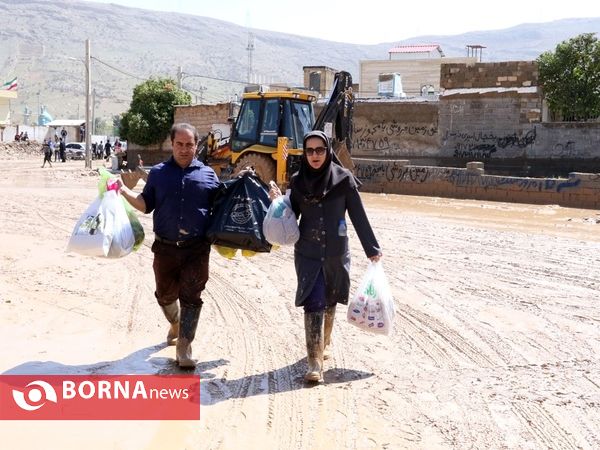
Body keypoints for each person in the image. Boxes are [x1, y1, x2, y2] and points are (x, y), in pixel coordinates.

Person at [269, 130, 382, 383]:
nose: (315, 155)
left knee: (331, 298)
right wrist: (278, 204)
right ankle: (314, 362)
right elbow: (291, 218)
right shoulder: (298, 181)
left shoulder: (344, 180)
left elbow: (358, 216)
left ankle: (325, 341)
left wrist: (372, 249)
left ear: (328, 151)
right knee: (314, 300)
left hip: (335, 252)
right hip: (307, 253)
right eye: (309, 151)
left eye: (320, 150)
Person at [116, 123, 221, 368]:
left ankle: (184, 347)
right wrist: (122, 191)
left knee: (192, 297)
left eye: (189, 145)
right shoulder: (159, 173)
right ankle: (175, 324)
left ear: (197, 146)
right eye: (179, 144)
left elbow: (222, 209)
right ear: (171, 144)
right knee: (164, 295)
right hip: (165, 248)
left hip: (196, 249)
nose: (184, 149)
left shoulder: (208, 175)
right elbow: (145, 203)